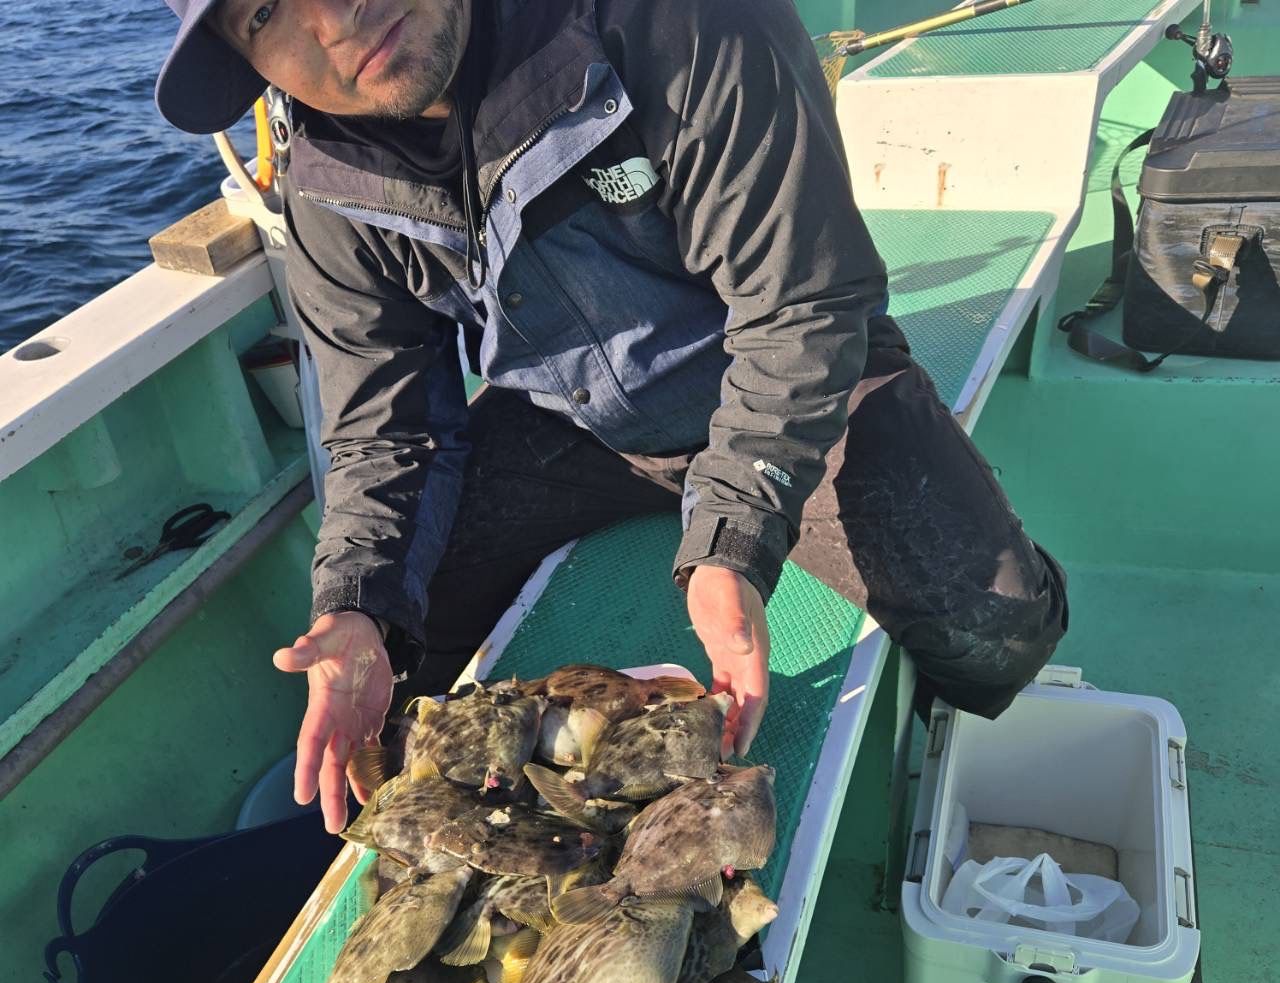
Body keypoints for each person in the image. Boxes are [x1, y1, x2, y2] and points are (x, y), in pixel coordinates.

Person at [156, 0, 1068, 834]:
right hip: (569, 419)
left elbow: (801, 305)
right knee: (406, 655)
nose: (333, 15)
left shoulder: (682, 21)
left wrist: (733, 537)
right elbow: (385, 429)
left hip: (783, 375)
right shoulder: (327, 185)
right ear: (249, 64)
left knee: (995, 634)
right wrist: (357, 607)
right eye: (263, 12)